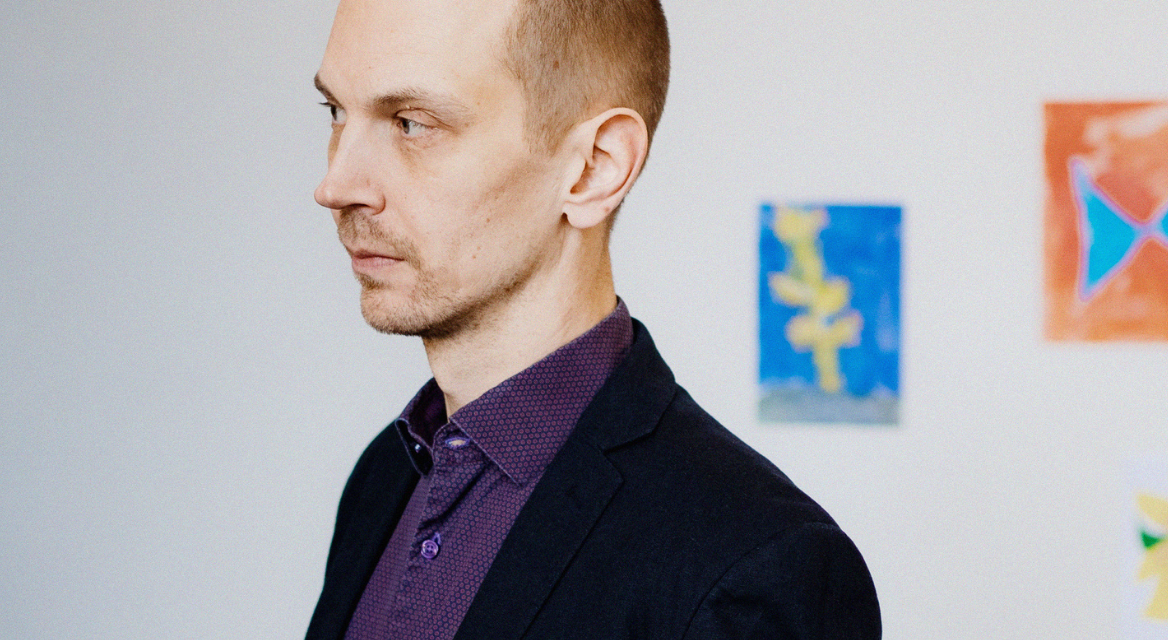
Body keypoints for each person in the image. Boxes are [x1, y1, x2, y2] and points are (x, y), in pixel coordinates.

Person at [301, 0, 880, 637]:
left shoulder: (754, 567)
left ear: (595, 167)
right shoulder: (386, 476)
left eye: (411, 123)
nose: (336, 182)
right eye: (335, 112)